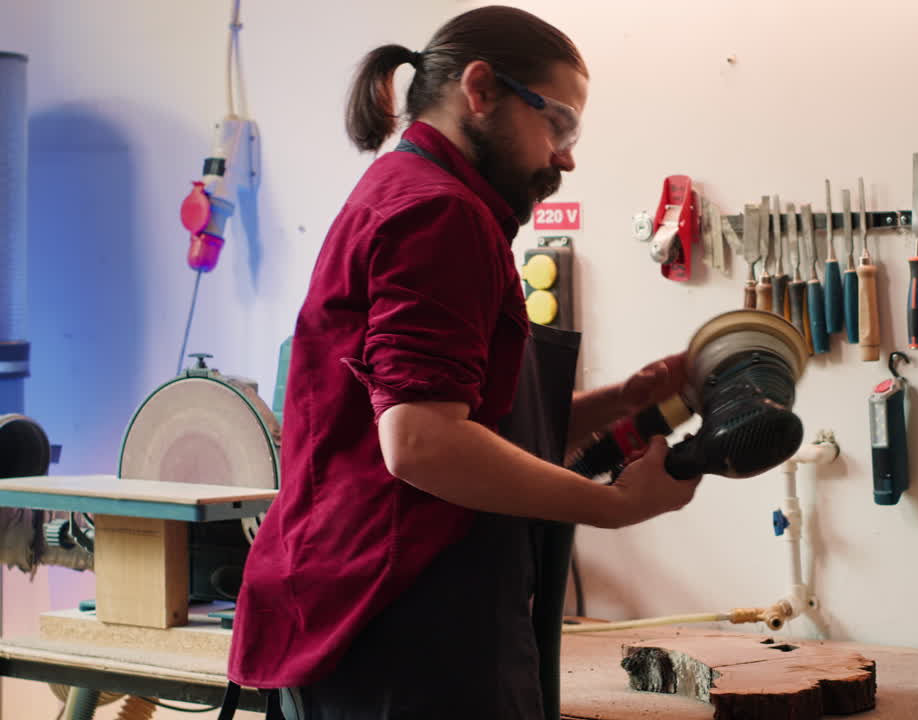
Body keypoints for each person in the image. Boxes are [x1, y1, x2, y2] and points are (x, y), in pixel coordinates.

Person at [225, 6, 701, 719]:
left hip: (400, 620)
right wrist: (615, 505)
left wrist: (622, 400)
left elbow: (462, 421)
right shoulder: (437, 213)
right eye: (559, 124)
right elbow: (421, 444)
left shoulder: (421, 195)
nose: (567, 156)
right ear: (480, 90)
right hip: (402, 627)